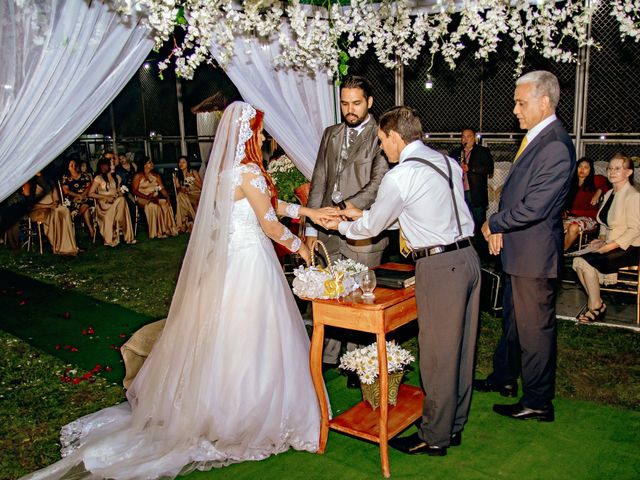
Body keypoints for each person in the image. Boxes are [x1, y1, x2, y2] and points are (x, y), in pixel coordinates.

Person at [21, 102, 337, 480]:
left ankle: (215, 407)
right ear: (248, 135)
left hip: (231, 264)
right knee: (252, 335)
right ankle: (247, 412)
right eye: (260, 131)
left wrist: (310, 214)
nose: (264, 137)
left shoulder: (223, 173)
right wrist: (301, 246)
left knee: (227, 336)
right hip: (251, 262)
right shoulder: (250, 171)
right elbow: (269, 224)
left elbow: (269, 205)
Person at [325, 106, 480, 456]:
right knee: (462, 351)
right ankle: (453, 426)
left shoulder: (400, 174)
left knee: (439, 356)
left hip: (440, 267)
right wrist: (365, 213)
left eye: (382, 141)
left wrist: (343, 225)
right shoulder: (446, 162)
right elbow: (416, 212)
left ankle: (434, 436)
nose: (382, 149)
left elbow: (373, 228)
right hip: (469, 259)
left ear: (395, 136)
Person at [478, 70, 576, 421]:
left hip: (534, 258)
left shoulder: (555, 145)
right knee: (514, 324)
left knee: (535, 332)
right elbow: (516, 193)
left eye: (521, 103)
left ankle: (538, 401)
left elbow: (535, 206)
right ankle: (505, 378)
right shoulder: (537, 138)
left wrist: (494, 222)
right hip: (519, 253)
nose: (515, 109)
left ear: (544, 101)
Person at [305, 74, 389, 368]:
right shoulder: (331, 133)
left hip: (362, 231)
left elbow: (377, 184)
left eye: (356, 103)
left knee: (360, 296)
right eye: (344, 104)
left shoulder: (382, 134)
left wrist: (341, 209)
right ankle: (329, 356)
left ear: (369, 102)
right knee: (332, 291)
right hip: (327, 230)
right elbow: (319, 180)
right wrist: (311, 227)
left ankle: (358, 361)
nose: (350, 109)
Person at [572, 153, 640, 323]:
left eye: (618, 168)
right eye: (610, 168)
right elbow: (604, 222)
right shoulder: (610, 193)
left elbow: (635, 230)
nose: (611, 172)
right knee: (577, 261)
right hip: (610, 243)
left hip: (629, 247)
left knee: (585, 262)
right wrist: (601, 238)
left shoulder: (633, 196)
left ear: (629, 172)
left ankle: (595, 307)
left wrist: (609, 247)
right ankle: (597, 304)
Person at [449, 127, 494, 251]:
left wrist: (470, 168)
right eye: (463, 137)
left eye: (468, 136)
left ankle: (483, 252)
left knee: (479, 223)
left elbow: (489, 168)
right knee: (462, 222)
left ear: (474, 138)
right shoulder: (455, 152)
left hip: (476, 193)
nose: (465, 139)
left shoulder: (482, 151)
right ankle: (466, 250)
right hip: (460, 192)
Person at [562, 156, 609, 251]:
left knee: (573, 227)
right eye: (580, 166)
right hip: (571, 216)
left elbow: (609, 184)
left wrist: (599, 191)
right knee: (554, 225)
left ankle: (559, 254)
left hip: (589, 218)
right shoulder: (570, 182)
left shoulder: (595, 180)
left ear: (590, 170)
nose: (582, 169)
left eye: (586, 167)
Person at [27, 172, 79, 256]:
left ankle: (69, 246)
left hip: (51, 207)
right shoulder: (29, 184)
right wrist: (49, 205)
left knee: (64, 210)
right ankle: (57, 246)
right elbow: (30, 205)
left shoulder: (49, 181)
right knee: (54, 214)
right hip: (38, 210)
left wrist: (55, 203)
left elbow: (56, 198)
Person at [89, 158, 136, 247]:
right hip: (104, 205)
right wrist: (106, 196)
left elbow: (118, 191)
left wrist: (120, 192)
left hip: (116, 203)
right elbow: (90, 193)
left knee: (122, 199)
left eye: (113, 164)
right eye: (111, 164)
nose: (113, 166)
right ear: (104, 166)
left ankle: (117, 223)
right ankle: (121, 227)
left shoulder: (117, 177)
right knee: (122, 201)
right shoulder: (98, 178)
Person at [132, 157, 179, 239]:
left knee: (164, 203)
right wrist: (146, 197)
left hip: (154, 197)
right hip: (141, 198)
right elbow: (134, 190)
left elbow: (162, 188)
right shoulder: (138, 176)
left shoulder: (156, 176)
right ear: (144, 165)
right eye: (150, 162)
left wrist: (167, 197)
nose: (152, 164)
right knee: (154, 206)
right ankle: (156, 232)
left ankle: (168, 229)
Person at [61, 157, 95, 239]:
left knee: (86, 202)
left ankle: (78, 215)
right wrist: (77, 196)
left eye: (74, 164)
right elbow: (66, 191)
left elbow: (89, 187)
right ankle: (91, 231)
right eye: (71, 165)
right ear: (68, 167)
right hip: (73, 199)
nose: (73, 166)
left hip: (85, 197)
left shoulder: (85, 175)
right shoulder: (66, 177)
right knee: (85, 208)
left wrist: (82, 195)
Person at [173, 155, 203, 233]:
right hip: (186, 195)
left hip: (196, 194)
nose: (181, 164)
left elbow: (201, 186)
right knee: (180, 195)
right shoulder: (177, 175)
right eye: (180, 162)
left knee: (181, 197)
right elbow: (178, 188)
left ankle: (184, 223)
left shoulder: (193, 172)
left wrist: (191, 178)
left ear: (187, 163)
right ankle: (186, 223)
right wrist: (182, 189)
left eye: (183, 162)